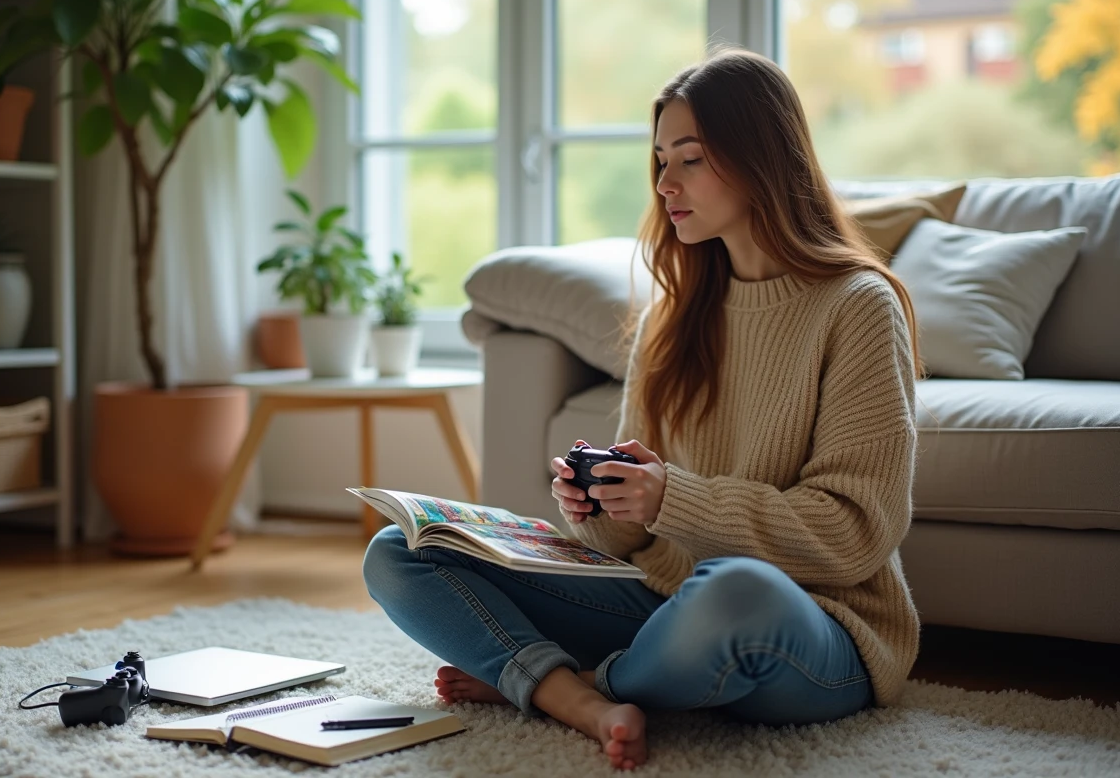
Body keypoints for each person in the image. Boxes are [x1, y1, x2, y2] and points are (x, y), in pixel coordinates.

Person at [361, 46, 923, 771]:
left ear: (760, 157)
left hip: (813, 625)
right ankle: (581, 699)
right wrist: (603, 511)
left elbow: (854, 534)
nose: (664, 183)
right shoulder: (674, 314)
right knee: (403, 550)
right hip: (662, 603)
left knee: (735, 591)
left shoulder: (858, 306)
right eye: (660, 160)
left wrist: (672, 499)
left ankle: (565, 682)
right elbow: (624, 550)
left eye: (689, 159)